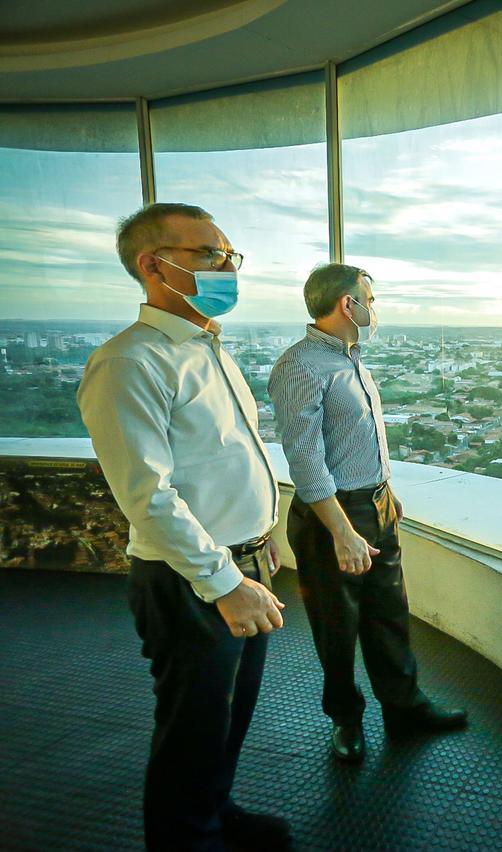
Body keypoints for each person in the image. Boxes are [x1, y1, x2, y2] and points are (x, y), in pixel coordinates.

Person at [77, 202, 292, 850]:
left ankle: (215, 810)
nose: (229, 267)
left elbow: (231, 458)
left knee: (228, 716)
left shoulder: (209, 349)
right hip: (190, 578)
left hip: (240, 562)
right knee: (192, 725)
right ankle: (186, 837)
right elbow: (148, 497)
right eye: (209, 254)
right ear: (154, 265)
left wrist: (263, 539)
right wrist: (226, 582)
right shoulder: (130, 362)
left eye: (232, 256)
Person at [269, 263, 466, 765]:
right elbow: (306, 459)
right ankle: (346, 721)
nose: (374, 309)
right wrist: (342, 530)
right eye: (370, 300)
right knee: (337, 627)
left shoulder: (353, 361)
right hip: (333, 516)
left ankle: (404, 709)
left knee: (389, 615)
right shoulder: (302, 366)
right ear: (346, 304)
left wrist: (387, 493)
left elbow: (363, 440)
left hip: (374, 504)